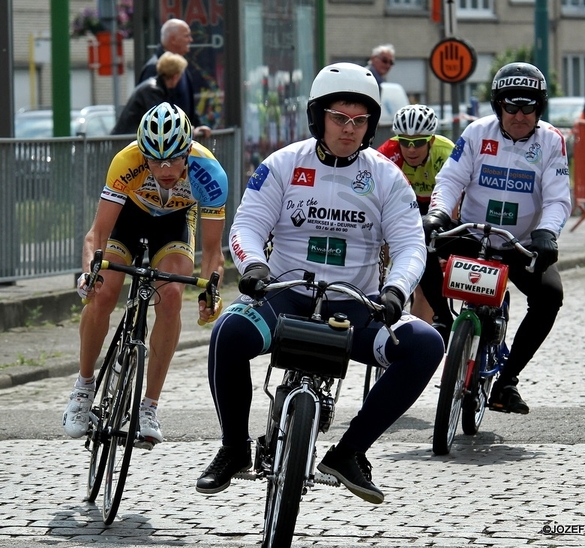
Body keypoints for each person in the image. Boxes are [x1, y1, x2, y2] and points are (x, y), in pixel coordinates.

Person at [194, 63, 444, 504]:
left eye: (360, 120)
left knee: (426, 343)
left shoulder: (386, 175)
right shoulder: (284, 165)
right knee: (227, 333)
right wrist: (253, 265)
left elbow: (410, 245)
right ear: (318, 117)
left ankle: (349, 454)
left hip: (356, 306)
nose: (350, 129)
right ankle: (233, 448)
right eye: (339, 118)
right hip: (284, 298)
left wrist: (396, 291)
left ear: (370, 124)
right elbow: (247, 224)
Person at [62, 102, 228, 445]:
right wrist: (89, 273)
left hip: (174, 225)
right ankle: (83, 388)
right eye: (155, 160)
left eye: (173, 160)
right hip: (128, 218)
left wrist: (210, 293)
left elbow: (212, 252)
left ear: (188, 152)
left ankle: (148, 407)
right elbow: (97, 234)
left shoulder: (209, 174)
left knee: (171, 296)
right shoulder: (127, 162)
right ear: (144, 154)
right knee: (104, 293)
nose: (165, 169)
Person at [419, 62, 571, 414]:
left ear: (540, 108)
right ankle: (443, 318)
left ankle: (507, 381)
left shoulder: (551, 141)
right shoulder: (476, 133)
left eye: (528, 107)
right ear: (497, 105)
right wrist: (440, 213)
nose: (519, 115)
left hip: (521, 244)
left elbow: (557, 197)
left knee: (550, 296)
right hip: (475, 237)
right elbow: (450, 180)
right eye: (511, 106)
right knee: (421, 245)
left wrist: (547, 233)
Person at [377, 104, 454, 323]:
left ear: (430, 141)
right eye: (405, 142)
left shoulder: (445, 151)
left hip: (437, 206)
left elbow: (455, 199)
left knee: (423, 283)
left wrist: (442, 247)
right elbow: (379, 201)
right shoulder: (387, 154)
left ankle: (423, 332)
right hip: (405, 205)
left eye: (418, 143)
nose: (411, 149)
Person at [139, 18, 211, 140]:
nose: (191, 40)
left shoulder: (180, 66)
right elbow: (154, 115)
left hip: (178, 144)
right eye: (186, 36)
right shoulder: (154, 68)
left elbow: (188, 106)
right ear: (173, 39)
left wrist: (199, 126)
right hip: (163, 148)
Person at [111, 52, 189, 135]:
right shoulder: (152, 90)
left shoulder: (156, 88)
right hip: (128, 142)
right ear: (175, 76)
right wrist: (186, 130)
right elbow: (161, 122)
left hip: (130, 141)